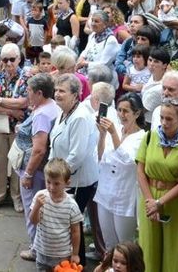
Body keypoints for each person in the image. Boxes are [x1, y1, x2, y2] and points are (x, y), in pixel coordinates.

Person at [48, 73, 101, 262]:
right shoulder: (62, 111)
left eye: (62, 91)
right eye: (56, 90)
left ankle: (76, 262)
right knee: (69, 222)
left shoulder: (79, 117)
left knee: (72, 223)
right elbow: (54, 143)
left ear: (75, 94)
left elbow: (77, 155)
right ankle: (69, 260)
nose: (57, 94)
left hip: (76, 180)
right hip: (62, 176)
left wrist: (58, 178)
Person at [136, 97, 178, 272]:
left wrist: (160, 203)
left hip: (175, 201)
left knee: (173, 249)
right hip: (149, 197)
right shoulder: (149, 137)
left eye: (169, 119)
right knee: (148, 247)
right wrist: (150, 202)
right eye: (161, 117)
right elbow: (140, 171)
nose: (164, 123)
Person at [96, 92, 149, 251]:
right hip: (105, 192)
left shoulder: (142, 137)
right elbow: (100, 157)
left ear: (137, 113)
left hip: (124, 196)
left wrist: (112, 134)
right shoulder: (116, 129)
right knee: (109, 244)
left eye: (126, 111)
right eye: (119, 110)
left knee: (125, 245)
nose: (121, 115)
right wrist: (103, 134)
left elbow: (128, 161)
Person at [16, 72, 60, 260]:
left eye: (29, 91)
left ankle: (36, 249)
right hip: (43, 169)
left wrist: (27, 174)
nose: (27, 94)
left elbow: (39, 149)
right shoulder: (52, 106)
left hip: (36, 172)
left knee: (33, 209)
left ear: (40, 93)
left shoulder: (42, 114)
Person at [0, 43, 28, 212]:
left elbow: (24, 102)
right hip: (0, 126)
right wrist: (11, 110)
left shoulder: (26, 77)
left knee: (17, 163)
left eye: (12, 59)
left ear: (19, 59)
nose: (9, 63)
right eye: (5, 59)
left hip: (18, 128)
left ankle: (17, 197)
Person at [30, 158, 84, 271]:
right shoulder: (40, 197)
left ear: (67, 183)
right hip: (42, 250)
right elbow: (34, 221)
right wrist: (36, 207)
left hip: (61, 255)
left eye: (56, 183)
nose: (51, 187)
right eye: (48, 182)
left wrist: (75, 254)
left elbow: (76, 232)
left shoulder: (71, 206)